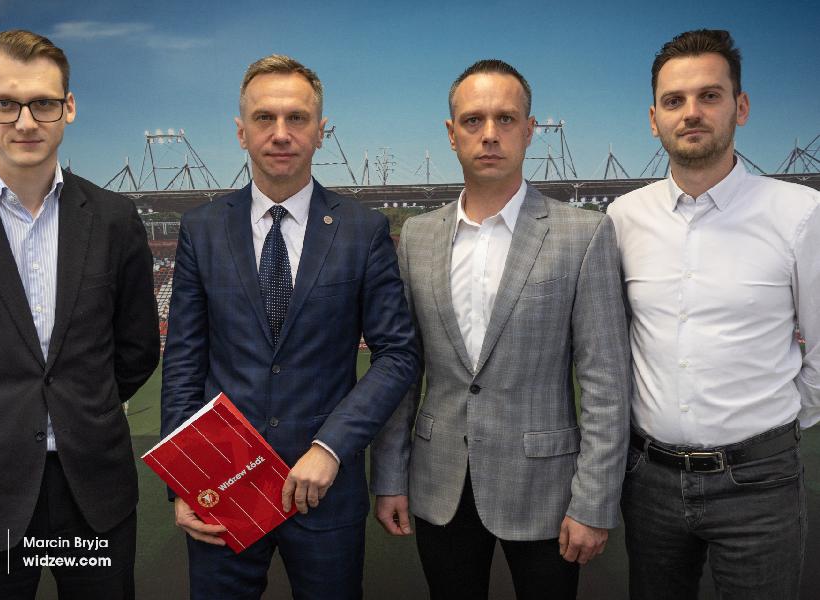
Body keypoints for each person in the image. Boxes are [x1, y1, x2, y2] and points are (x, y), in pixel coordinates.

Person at [370, 59, 631, 600]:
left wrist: (593, 501)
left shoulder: (583, 234)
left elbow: (606, 383)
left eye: (505, 119)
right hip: (439, 483)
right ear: (452, 133)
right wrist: (390, 475)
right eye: (473, 120)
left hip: (547, 488)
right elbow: (404, 369)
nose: (489, 134)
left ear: (529, 130)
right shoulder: (417, 237)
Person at [160, 54, 418, 600]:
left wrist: (331, 447)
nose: (281, 133)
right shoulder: (202, 229)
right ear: (241, 132)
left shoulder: (362, 230)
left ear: (321, 131)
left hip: (324, 486)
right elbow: (184, 361)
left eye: (297, 118)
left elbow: (398, 355)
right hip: (222, 482)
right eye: (264, 118)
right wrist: (186, 478)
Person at [0, 29, 160, 599]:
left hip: (91, 488)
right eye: (4, 103)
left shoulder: (114, 217)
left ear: (68, 107)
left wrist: (80, 405)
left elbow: (136, 349)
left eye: (43, 103)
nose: (26, 121)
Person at [607, 29, 819, 599]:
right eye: (674, 100)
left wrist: (771, 429)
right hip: (649, 481)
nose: (691, 113)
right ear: (654, 119)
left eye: (710, 95)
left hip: (760, 483)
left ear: (740, 107)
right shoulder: (623, 218)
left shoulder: (800, 215)